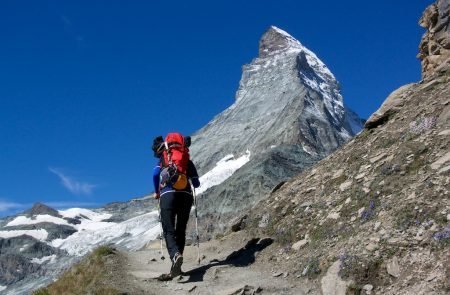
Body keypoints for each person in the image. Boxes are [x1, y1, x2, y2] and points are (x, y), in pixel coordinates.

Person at [152, 134, 200, 277]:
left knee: (168, 229)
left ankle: (175, 256)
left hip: (168, 194)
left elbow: (155, 174)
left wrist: (157, 192)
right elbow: (196, 182)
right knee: (181, 230)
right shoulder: (186, 158)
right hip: (186, 195)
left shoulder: (164, 158)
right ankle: (178, 264)